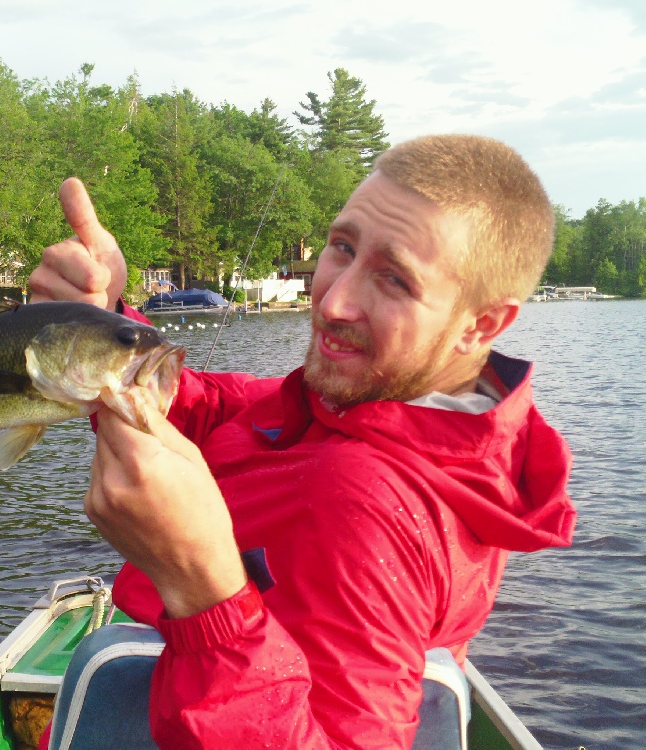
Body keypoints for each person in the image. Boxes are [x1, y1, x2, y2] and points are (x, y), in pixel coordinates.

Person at [28, 134, 577, 749]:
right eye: (342, 247)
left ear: (481, 325)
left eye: (394, 280)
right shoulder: (374, 412)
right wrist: (109, 326)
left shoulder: (358, 506)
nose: (333, 299)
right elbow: (214, 410)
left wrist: (205, 591)